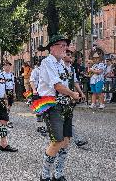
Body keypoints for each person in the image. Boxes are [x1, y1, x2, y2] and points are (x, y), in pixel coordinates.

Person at [37, 35, 80, 181]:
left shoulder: (62, 64)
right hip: (52, 104)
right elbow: (57, 85)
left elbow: (68, 82)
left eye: (65, 45)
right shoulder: (47, 62)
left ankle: (59, 173)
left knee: (66, 141)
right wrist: (73, 94)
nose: (65, 48)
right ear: (52, 47)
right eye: (61, 45)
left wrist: (75, 94)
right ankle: (45, 175)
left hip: (65, 104)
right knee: (57, 141)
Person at [30, 61, 47, 136]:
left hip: (45, 91)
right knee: (39, 109)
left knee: (45, 109)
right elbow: (32, 80)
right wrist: (34, 90)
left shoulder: (46, 70)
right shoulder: (35, 70)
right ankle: (40, 126)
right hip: (37, 90)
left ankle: (46, 126)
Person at [2, 61, 15, 128]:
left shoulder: (11, 74)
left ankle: (6, 117)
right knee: (6, 105)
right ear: (3, 67)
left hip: (10, 91)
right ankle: (6, 120)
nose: (7, 67)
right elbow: (2, 85)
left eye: (9, 66)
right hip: (5, 91)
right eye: (6, 65)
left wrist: (14, 92)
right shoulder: (2, 75)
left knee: (9, 105)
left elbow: (13, 84)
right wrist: (4, 93)